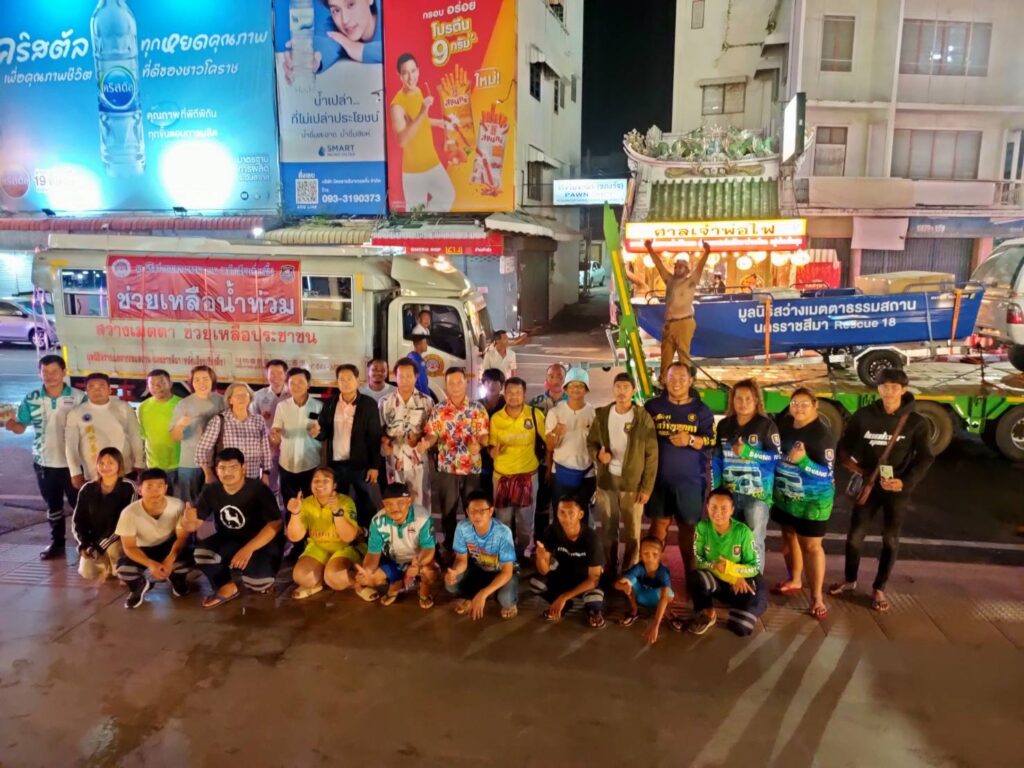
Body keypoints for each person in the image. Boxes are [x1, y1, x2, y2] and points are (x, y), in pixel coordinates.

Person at [829, 369, 933, 613]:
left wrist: (905, 482)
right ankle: (849, 579)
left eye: (895, 387)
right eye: (885, 386)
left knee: (890, 540)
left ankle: (879, 588)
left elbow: (925, 457)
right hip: (868, 485)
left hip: (896, 488)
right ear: (878, 389)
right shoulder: (864, 415)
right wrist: (854, 467)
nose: (889, 391)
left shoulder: (916, 422)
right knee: (855, 536)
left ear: (903, 390)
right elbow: (844, 445)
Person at [3, 354, 85, 559]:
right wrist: (11, 424)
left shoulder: (79, 397)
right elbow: (21, 427)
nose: (50, 376)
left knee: (81, 506)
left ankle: (86, 544)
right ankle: (57, 543)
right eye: (45, 372)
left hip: (74, 463)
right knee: (53, 506)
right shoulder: (32, 398)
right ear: (39, 373)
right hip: (44, 462)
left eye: (54, 371)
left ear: (64, 372)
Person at [186, 448, 284, 609]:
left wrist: (248, 549)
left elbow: (276, 524)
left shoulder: (258, 489)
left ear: (243, 468)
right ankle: (226, 585)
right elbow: (195, 522)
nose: (227, 472)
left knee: (259, 583)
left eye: (233, 467)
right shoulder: (211, 490)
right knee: (202, 554)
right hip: (229, 538)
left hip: (260, 542)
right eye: (222, 468)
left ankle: (254, 570)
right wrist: (188, 521)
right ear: (216, 470)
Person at [770, 389, 836, 620]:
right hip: (786, 495)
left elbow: (827, 473)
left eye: (804, 404)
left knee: (811, 546)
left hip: (813, 501)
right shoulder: (786, 425)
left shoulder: (822, 435)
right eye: (794, 403)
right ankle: (794, 579)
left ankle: (817, 597)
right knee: (789, 536)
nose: (798, 408)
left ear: (815, 405)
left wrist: (805, 461)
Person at [644, 362, 714, 574]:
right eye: (672, 377)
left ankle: (692, 575)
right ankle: (651, 574)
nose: (676, 382)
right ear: (664, 380)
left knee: (689, 528)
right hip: (658, 480)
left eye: (682, 378)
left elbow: (711, 441)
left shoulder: (702, 410)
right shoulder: (652, 407)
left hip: (690, 483)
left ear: (690, 381)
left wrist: (690, 439)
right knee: (658, 526)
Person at [588, 372, 658, 579]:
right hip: (607, 481)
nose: (621, 391)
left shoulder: (642, 418)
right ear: (613, 389)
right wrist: (598, 455)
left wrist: (646, 487)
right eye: (618, 387)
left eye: (626, 387)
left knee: (632, 532)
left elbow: (652, 455)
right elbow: (591, 442)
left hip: (633, 483)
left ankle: (630, 571)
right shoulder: (602, 415)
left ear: (633, 391)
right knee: (608, 529)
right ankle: (609, 568)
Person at [711, 379, 780, 570]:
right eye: (738, 398)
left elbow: (775, 457)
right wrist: (716, 490)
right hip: (729, 495)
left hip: (757, 496)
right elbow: (717, 459)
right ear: (732, 401)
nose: (743, 403)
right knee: (730, 540)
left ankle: (755, 581)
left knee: (754, 541)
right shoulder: (724, 425)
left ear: (756, 400)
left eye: (748, 398)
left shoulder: (766, 426)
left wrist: (749, 452)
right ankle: (732, 579)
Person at [423, 367, 489, 560]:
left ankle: (474, 548)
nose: (455, 386)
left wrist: (480, 445)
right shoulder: (439, 409)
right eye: (451, 382)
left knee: (474, 510)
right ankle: (451, 546)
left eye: (459, 382)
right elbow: (432, 434)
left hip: (472, 468)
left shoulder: (477, 409)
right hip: (447, 467)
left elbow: (484, 435)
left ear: (466, 383)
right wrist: (426, 442)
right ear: (445, 385)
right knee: (448, 510)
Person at [687, 488, 767, 637]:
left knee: (740, 628)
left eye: (724, 508)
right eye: (714, 507)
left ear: (732, 510)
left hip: (744, 581)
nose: (718, 512)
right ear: (707, 507)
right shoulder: (702, 527)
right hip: (726, 579)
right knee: (695, 578)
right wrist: (730, 576)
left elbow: (754, 567)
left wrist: (733, 571)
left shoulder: (743, 532)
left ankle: (747, 606)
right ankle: (708, 613)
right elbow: (699, 560)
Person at [311, 364, 383, 527]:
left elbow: (374, 437)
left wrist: (374, 466)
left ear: (357, 380)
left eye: (349, 379)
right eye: (341, 379)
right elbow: (325, 432)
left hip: (360, 464)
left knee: (364, 500)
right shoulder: (330, 403)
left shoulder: (368, 404)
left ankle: (366, 532)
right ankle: (341, 532)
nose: (345, 383)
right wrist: (317, 433)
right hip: (336, 464)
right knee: (338, 500)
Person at [114, 468, 192, 609]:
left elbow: (182, 537)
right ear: (140, 490)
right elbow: (129, 547)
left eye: (159, 486)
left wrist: (169, 561)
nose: (155, 491)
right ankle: (139, 586)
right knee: (124, 570)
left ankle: (177, 579)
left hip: (168, 545)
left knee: (191, 557)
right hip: (143, 549)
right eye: (149, 487)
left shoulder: (177, 505)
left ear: (166, 488)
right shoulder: (129, 513)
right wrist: (151, 564)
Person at [285, 467, 365, 600]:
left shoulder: (345, 501)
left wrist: (337, 512)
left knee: (335, 578)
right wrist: (295, 513)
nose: (319, 484)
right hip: (318, 546)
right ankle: (320, 582)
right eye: (315, 480)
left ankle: (359, 583)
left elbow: (349, 537)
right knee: (300, 576)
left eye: (326, 480)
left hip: (343, 547)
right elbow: (295, 537)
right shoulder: (306, 503)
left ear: (334, 485)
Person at [389, 52, 456, 212]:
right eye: (405, 73)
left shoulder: (418, 91)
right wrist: (422, 111)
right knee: (416, 215)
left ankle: (427, 222)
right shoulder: (397, 105)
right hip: (413, 173)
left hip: (432, 162)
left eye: (413, 71)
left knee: (448, 195)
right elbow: (401, 140)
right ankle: (422, 222)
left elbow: (419, 123)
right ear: (399, 75)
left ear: (418, 70)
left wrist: (438, 122)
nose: (411, 77)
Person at [356, 482, 439, 608]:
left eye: (400, 503)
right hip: (393, 560)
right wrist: (367, 570)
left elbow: (428, 547)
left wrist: (419, 563)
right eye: (389, 504)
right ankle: (396, 582)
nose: (395, 508)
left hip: (417, 559)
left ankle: (424, 586)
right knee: (371, 578)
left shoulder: (422, 517)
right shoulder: (377, 521)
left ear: (409, 501)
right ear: (383, 504)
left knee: (429, 573)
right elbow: (373, 553)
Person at [489, 377, 542, 561]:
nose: (514, 396)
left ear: (524, 394)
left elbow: (549, 439)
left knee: (526, 524)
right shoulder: (496, 418)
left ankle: (521, 553)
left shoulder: (534, 415)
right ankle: (506, 557)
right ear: (504, 394)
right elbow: (491, 446)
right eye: (510, 392)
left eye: (518, 392)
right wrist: (493, 451)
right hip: (502, 478)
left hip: (527, 477)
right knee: (503, 522)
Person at [533, 495, 606, 629]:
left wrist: (564, 596)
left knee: (594, 598)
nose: (566, 517)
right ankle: (565, 605)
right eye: (562, 512)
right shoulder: (551, 531)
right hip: (562, 577)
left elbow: (594, 579)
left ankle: (593, 612)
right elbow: (544, 571)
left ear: (580, 514)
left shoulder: (592, 539)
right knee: (536, 583)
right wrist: (541, 558)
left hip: (584, 580)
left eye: (571, 513)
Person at [444, 491, 518, 620]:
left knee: (506, 598)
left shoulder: (503, 532)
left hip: (500, 572)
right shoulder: (462, 527)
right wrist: (455, 572)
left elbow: (507, 572)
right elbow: (461, 559)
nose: (477, 515)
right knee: (451, 584)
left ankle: (504, 600)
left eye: (482, 511)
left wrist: (483, 594)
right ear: (467, 512)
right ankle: (473, 595)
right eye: (473, 511)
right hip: (478, 569)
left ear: (491, 511)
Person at [644, 238, 711, 381]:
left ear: (687, 270)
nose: (678, 269)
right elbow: (659, 265)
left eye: (681, 267)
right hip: (669, 324)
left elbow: (700, 267)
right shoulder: (670, 280)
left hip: (684, 323)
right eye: (676, 267)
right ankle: (664, 382)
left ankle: (684, 383)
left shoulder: (690, 282)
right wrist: (649, 248)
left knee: (683, 357)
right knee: (666, 356)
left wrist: (706, 252)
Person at [65, 373, 145, 487]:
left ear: (109, 390)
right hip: (93, 472)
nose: (97, 390)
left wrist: (139, 462)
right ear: (86, 391)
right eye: (91, 387)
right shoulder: (76, 413)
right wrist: (75, 472)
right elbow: (70, 445)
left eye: (101, 386)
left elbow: (135, 435)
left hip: (125, 469)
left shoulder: (124, 408)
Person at [73, 447, 136, 582]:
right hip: (94, 540)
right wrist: (84, 544)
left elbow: (125, 522)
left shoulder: (128, 487)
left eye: (110, 463)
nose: (105, 467)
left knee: (116, 556)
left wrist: (99, 546)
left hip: (119, 538)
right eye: (101, 463)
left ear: (119, 465)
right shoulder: (87, 488)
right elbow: (78, 520)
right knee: (87, 572)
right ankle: (108, 567)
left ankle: (123, 568)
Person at [380, 358, 434, 515]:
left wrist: (423, 441)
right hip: (394, 461)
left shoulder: (426, 402)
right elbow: (379, 431)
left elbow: (432, 431)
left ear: (416, 377)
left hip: (418, 461)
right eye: (400, 376)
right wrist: (384, 443)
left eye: (409, 376)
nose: (404, 380)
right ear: (395, 377)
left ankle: (422, 530)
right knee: (396, 502)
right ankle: (399, 530)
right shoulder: (385, 402)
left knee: (420, 502)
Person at [195, 383, 272, 485]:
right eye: (237, 395)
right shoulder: (219, 420)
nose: (241, 398)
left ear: (250, 398)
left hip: (253, 479)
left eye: (245, 394)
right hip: (228, 480)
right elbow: (202, 449)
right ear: (230, 400)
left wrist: (266, 474)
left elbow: (265, 449)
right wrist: (208, 473)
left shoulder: (258, 420)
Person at [170, 365, 224, 504]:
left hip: (217, 462)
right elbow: (174, 437)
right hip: (190, 463)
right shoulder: (184, 404)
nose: (201, 383)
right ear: (191, 383)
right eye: (197, 380)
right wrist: (180, 425)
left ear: (212, 380)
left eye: (205, 379)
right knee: (190, 504)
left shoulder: (222, 401)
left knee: (216, 503)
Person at [544, 367, 596, 509]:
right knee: (561, 512)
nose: (576, 389)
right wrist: (556, 432)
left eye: (580, 385)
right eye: (572, 385)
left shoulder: (593, 413)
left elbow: (597, 443)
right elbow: (549, 446)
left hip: (587, 473)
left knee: (583, 513)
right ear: (565, 389)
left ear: (586, 390)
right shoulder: (555, 412)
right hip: (561, 473)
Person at [270, 368, 323, 504]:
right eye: (292, 383)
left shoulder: (319, 406)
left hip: (310, 463)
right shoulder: (282, 406)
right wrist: (275, 436)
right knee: (289, 502)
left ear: (308, 384)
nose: (296, 386)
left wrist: (318, 432)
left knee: (312, 502)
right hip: (286, 463)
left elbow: (324, 433)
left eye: (300, 382)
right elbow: (276, 429)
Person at [529, 363, 567, 538]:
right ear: (546, 379)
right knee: (541, 505)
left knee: (562, 505)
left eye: (559, 376)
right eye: (551, 376)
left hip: (564, 463)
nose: (555, 380)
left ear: (565, 379)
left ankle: (560, 542)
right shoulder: (535, 403)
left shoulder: (572, 402)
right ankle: (540, 541)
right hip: (540, 462)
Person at [614, 536, 674, 645]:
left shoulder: (663, 572)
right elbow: (617, 584)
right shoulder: (638, 567)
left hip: (656, 598)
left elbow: (664, 597)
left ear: (661, 555)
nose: (650, 558)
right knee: (629, 581)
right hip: (641, 597)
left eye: (655, 554)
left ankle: (667, 612)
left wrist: (655, 625)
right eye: (646, 554)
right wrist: (624, 587)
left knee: (668, 593)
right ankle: (634, 610)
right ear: (640, 555)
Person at [137, 369, 181, 490]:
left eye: (161, 382)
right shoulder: (142, 407)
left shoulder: (181, 404)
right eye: (152, 384)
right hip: (153, 465)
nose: (157, 387)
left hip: (178, 464)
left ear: (170, 384)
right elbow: (143, 435)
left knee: (177, 499)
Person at [253, 360, 290, 503]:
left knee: (288, 480)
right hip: (268, 447)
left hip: (289, 445)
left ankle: (287, 507)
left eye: (279, 373)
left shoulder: (292, 393)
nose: (276, 377)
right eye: (272, 373)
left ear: (285, 374)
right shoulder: (258, 396)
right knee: (270, 480)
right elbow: (253, 421)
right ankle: (272, 507)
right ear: (266, 375)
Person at [477, 368, 506, 496]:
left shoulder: (507, 405)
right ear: (483, 384)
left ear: (502, 385)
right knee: (485, 491)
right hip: (482, 455)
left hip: (502, 455)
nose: (491, 385)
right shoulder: (477, 405)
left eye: (495, 382)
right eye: (488, 382)